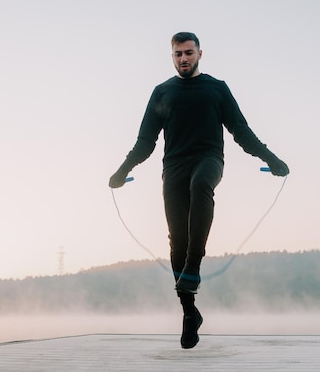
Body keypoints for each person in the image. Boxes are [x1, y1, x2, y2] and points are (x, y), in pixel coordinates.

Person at [109, 32, 289, 349]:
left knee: (201, 184)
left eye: (188, 53)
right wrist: (123, 170)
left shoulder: (216, 89)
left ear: (200, 54)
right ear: (172, 56)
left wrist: (272, 159)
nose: (183, 59)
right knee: (176, 241)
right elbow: (145, 141)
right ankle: (190, 313)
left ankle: (193, 269)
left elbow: (241, 131)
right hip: (174, 167)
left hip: (208, 159)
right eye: (178, 54)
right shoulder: (162, 92)